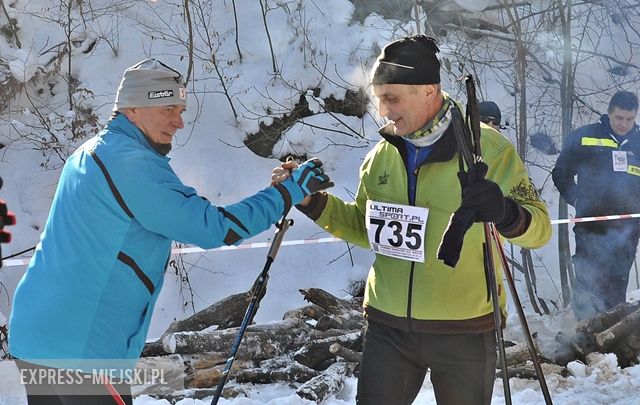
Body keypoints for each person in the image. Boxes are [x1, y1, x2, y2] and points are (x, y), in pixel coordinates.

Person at [8, 58, 332, 404]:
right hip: (84, 348)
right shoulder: (131, 164)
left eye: (181, 110)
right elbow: (215, 227)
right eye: (168, 110)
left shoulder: (91, 152)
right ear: (134, 109)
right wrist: (288, 191)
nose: (178, 122)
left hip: (41, 335)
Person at [274, 35, 551, 405]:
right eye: (378, 99)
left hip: (464, 330)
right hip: (388, 328)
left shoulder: (487, 149)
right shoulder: (381, 156)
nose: (383, 110)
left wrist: (505, 212)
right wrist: (311, 202)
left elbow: (540, 230)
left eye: (392, 98)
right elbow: (364, 227)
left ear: (429, 90)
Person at [552, 90, 640, 321]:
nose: (624, 124)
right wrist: (577, 199)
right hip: (590, 226)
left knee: (616, 284)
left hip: (627, 230)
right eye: (619, 118)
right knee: (588, 282)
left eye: (629, 119)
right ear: (609, 113)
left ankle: (613, 338)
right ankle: (583, 335)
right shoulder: (584, 136)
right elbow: (561, 173)